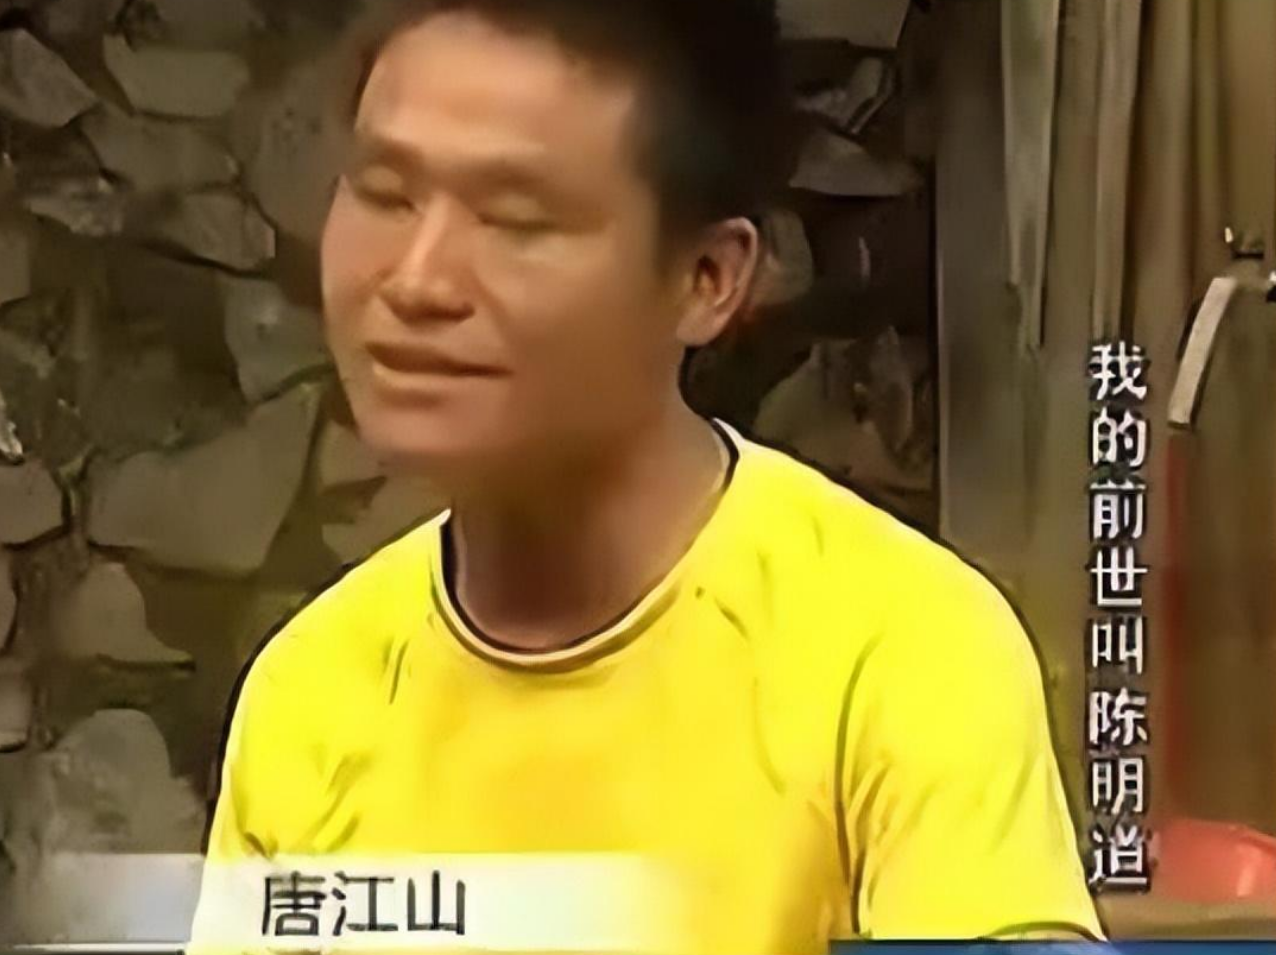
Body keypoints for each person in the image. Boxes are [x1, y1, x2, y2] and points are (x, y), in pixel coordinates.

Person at [190, 0, 1104, 950]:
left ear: (707, 276)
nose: (417, 281)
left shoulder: (900, 655)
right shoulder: (309, 694)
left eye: (515, 219)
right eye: (386, 194)